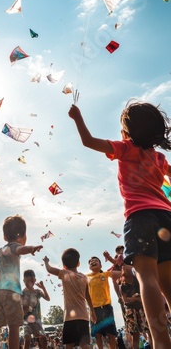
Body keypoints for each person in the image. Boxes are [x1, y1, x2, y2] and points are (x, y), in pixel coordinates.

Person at [68, 100, 171, 349]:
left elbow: (88, 141)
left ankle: (161, 341)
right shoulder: (159, 157)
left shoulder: (125, 148)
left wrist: (77, 117)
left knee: (147, 278)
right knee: (168, 283)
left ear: (127, 131)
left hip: (140, 218)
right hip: (166, 218)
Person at [0, 215, 43, 349]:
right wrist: (31, 248)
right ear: (23, 236)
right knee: (14, 326)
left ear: (4, 236)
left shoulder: (0, 251)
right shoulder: (15, 246)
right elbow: (21, 249)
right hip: (11, 293)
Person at [43, 248, 96, 349]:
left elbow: (49, 269)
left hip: (69, 318)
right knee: (85, 344)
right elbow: (88, 296)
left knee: (69, 344)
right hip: (83, 316)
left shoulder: (64, 274)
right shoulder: (84, 277)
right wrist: (92, 312)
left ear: (64, 266)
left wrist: (46, 262)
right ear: (78, 263)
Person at [87, 256, 119, 349]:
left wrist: (115, 263)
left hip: (106, 307)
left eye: (96, 260)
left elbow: (121, 273)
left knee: (111, 334)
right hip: (94, 309)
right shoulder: (86, 277)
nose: (93, 261)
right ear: (89, 267)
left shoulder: (105, 274)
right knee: (97, 334)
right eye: (91, 261)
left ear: (100, 265)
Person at [119, 264, 149, 349]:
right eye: (124, 267)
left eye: (128, 266)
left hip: (141, 309)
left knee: (147, 330)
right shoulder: (123, 286)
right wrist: (135, 299)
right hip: (130, 311)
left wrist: (135, 299)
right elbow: (125, 300)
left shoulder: (138, 282)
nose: (126, 267)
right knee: (135, 334)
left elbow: (143, 295)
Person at [22, 269, 50, 349]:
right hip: (26, 320)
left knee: (43, 338)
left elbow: (48, 298)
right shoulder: (23, 292)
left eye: (31, 281)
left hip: (37, 319)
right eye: (27, 281)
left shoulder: (37, 292)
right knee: (27, 338)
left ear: (34, 281)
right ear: (23, 281)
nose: (29, 283)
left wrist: (43, 288)